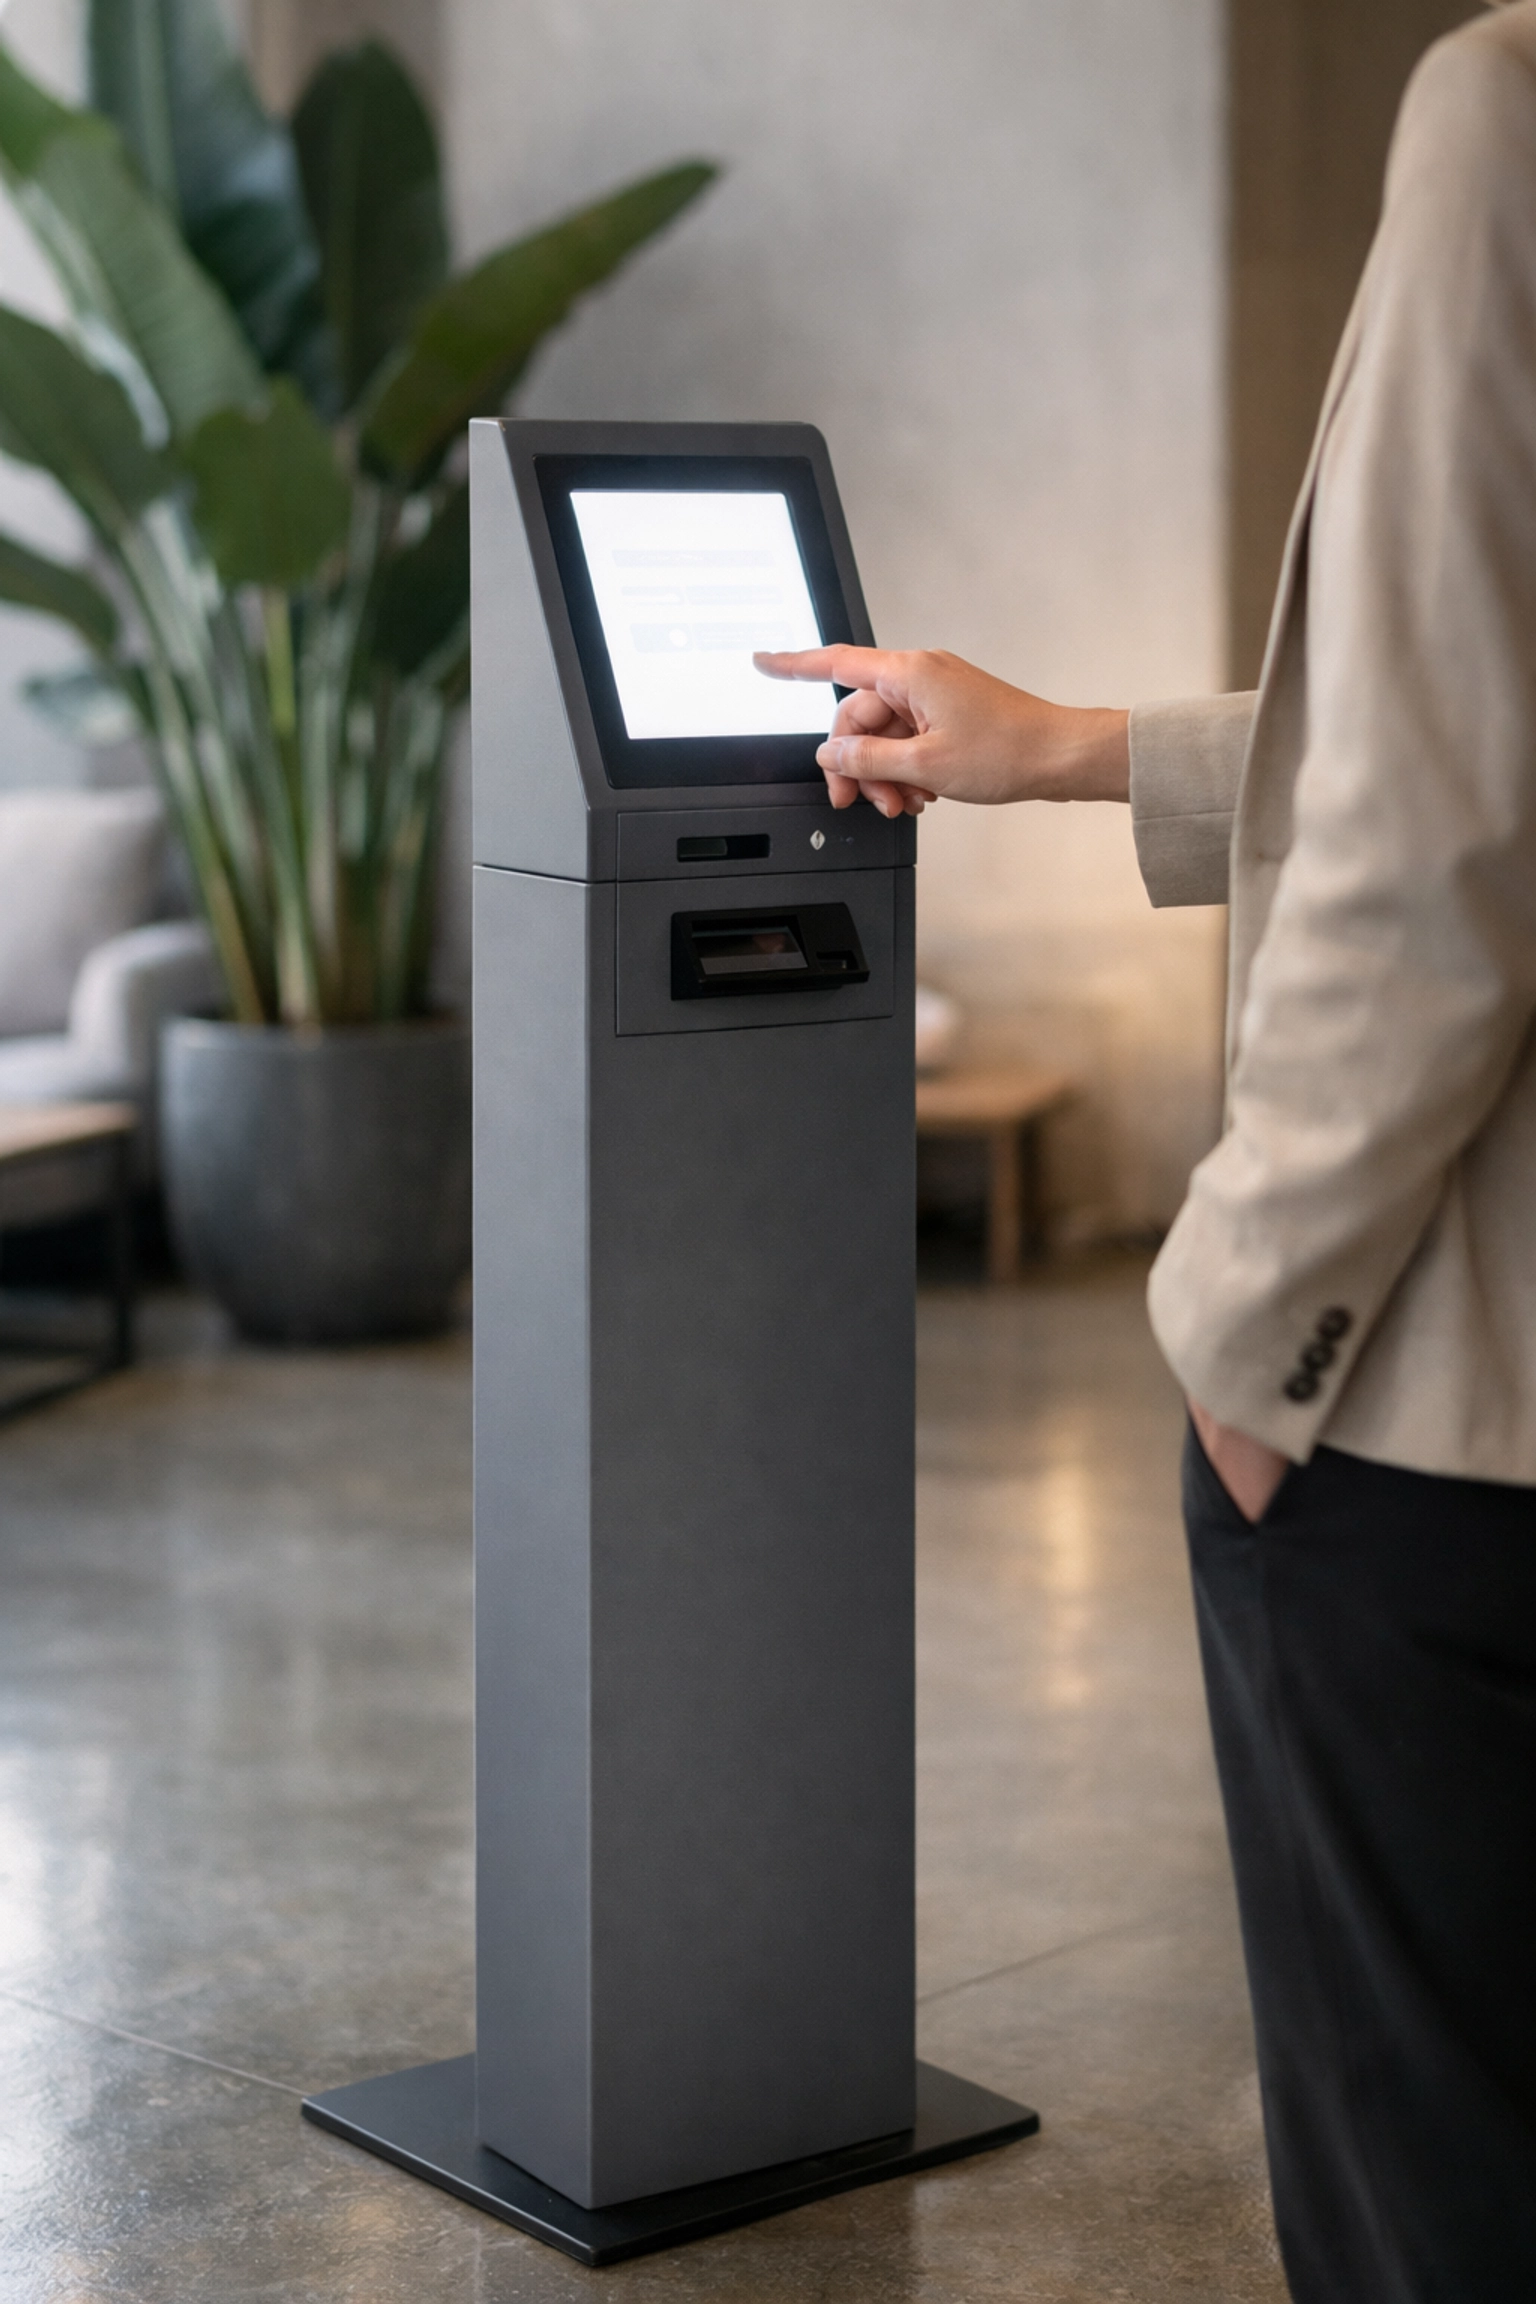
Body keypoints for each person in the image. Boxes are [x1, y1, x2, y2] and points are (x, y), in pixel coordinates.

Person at [759, 5, 1536, 2296]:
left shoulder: (1505, 108)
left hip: (1448, 1430)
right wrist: (1070, 747)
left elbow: (1440, 839)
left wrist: (1242, 1332)